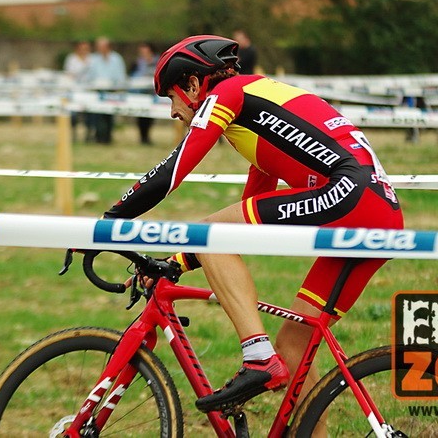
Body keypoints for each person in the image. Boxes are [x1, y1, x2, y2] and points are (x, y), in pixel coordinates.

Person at [100, 35, 404, 411]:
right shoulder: (260, 108)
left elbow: (172, 171)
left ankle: (257, 356)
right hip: (379, 212)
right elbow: (247, 218)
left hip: (348, 196)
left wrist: (108, 221)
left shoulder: (227, 94)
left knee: (209, 232)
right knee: (295, 349)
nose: (172, 112)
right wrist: (178, 261)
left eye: (171, 97)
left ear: (194, 84)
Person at [87, 36, 126, 144]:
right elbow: (90, 76)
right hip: (98, 90)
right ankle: (99, 137)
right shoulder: (94, 59)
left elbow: (121, 77)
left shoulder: (116, 59)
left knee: (108, 116)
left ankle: (107, 137)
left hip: (111, 91)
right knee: (98, 115)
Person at [129, 42, 158, 145]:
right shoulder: (137, 63)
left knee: (150, 116)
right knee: (141, 116)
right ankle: (142, 137)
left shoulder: (157, 62)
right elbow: (132, 77)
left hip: (152, 94)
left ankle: (147, 136)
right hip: (140, 93)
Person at [63, 40, 93, 142]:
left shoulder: (92, 59)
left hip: (88, 91)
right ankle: (73, 135)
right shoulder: (71, 59)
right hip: (74, 91)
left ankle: (88, 135)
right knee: (73, 116)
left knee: (89, 114)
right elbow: (69, 75)